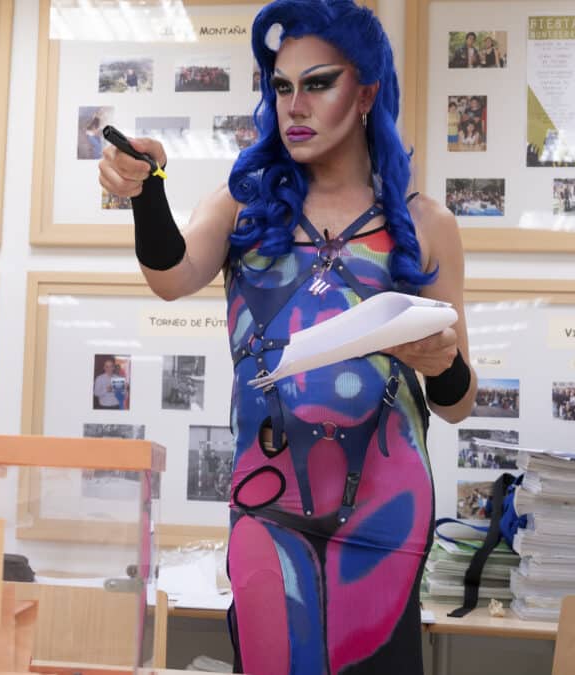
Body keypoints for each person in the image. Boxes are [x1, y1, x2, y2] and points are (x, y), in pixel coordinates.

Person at [98, 1, 476, 672]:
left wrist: (441, 362)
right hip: (266, 505)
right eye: (280, 86)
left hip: (387, 518)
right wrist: (146, 192)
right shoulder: (242, 206)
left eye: (318, 83)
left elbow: (457, 402)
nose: (294, 105)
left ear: (366, 94)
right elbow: (171, 275)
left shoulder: (426, 224)